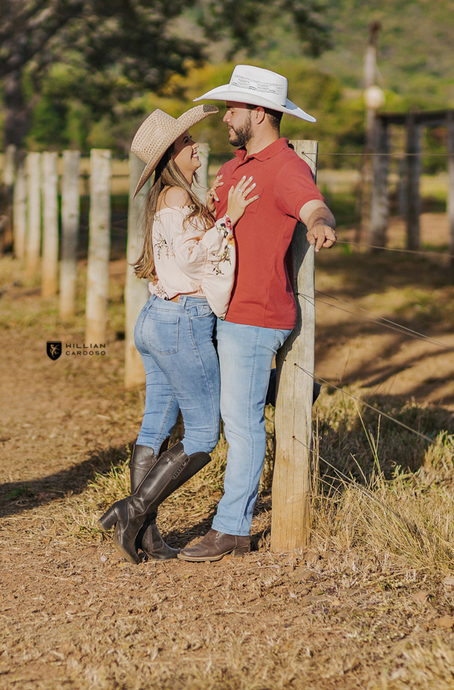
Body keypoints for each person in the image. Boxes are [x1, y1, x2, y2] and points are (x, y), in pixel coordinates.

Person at [178, 65, 337, 562]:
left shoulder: (286, 168)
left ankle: (232, 528)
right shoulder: (233, 168)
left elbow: (313, 205)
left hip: (256, 312)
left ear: (260, 113)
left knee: (241, 423)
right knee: (232, 412)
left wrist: (320, 225)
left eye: (233, 109)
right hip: (225, 308)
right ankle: (287, 390)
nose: (226, 117)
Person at [98, 104, 259, 564]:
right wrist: (227, 218)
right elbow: (191, 262)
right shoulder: (178, 199)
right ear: (172, 154)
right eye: (188, 143)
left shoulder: (169, 198)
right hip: (183, 320)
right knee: (205, 433)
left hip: (156, 317)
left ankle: (144, 534)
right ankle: (132, 511)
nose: (196, 147)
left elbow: (177, 254)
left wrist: (209, 214)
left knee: (156, 424)